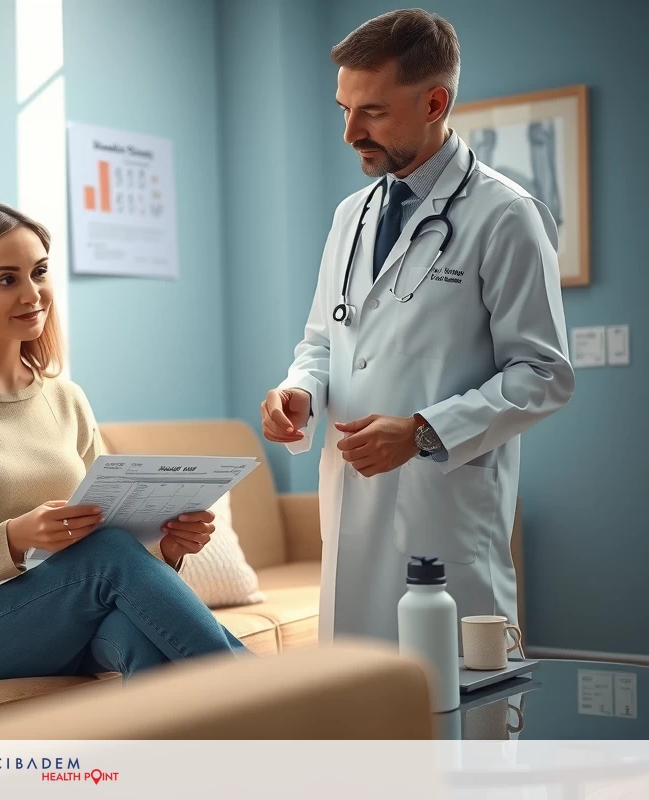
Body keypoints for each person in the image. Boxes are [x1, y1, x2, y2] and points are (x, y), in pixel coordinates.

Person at [261, 10, 574, 644]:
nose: (350, 132)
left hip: (444, 510)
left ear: (435, 103)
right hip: (352, 505)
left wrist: (424, 432)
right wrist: (301, 391)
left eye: (372, 112)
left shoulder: (505, 215)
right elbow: (323, 341)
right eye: (344, 109)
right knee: (357, 698)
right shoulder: (350, 216)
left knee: (456, 695)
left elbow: (544, 374)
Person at [0, 202, 245, 680]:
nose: (32, 294)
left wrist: (170, 549)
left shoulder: (66, 398)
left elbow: (117, 536)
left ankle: (242, 716)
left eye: (40, 272)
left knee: (142, 640)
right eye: (7, 279)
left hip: (70, 617)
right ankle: (276, 698)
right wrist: (13, 539)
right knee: (107, 552)